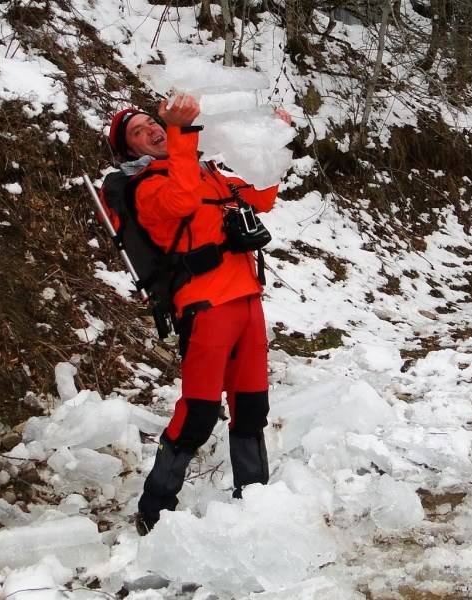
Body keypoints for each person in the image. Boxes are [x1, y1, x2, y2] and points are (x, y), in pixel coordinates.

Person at [106, 94, 291, 535]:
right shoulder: (145, 188)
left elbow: (262, 196)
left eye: (153, 122)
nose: (150, 129)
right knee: (199, 410)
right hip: (206, 307)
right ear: (130, 151)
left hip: (247, 301)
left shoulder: (204, 172)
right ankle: (154, 511)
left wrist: (275, 140)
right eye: (139, 132)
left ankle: (255, 501)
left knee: (251, 407)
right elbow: (182, 202)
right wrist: (180, 132)